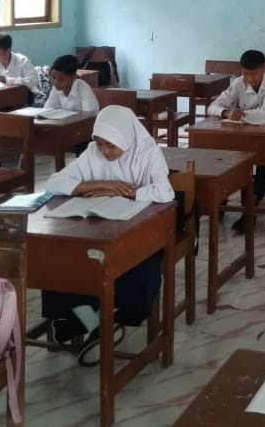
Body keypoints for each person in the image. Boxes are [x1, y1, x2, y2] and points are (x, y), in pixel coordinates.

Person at [43, 105, 174, 361]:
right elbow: (53, 183)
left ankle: (102, 320)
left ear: (124, 137)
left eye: (110, 145)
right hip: (97, 228)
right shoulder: (93, 153)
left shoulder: (148, 153)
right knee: (59, 258)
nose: (104, 151)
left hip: (138, 229)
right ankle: (96, 324)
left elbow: (164, 192)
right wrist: (102, 184)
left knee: (138, 263)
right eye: (99, 143)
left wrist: (125, 192)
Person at [208, 50, 265, 232]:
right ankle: (222, 198)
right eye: (245, 74)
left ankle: (252, 206)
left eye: (254, 74)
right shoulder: (238, 83)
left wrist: (241, 115)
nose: (250, 79)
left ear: (264, 67)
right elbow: (213, 107)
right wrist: (226, 112)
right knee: (225, 155)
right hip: (246, 132)